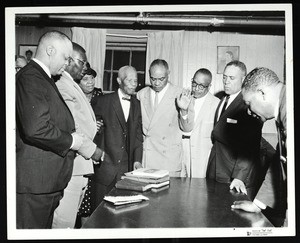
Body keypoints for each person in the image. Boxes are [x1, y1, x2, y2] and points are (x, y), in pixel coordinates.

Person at [16, 31, 85, 229]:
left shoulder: (42, 77)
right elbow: (35, 128)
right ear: (50, 50)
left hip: (43, 185)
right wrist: (72, 141)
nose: (67, 64)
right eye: (65, 58)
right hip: (35, 186)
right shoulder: (31, 77)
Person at [52, 42, 105, 228]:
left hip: (79, 166)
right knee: (63, 224)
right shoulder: (63, 85)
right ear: (69, 60)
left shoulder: (70, 84)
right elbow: (71, 127)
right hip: (71, 166)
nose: (85, 67)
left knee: (70, 222)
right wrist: (94, 151)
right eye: (82, 62)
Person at [231, 67, 287, 227]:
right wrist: (259, 204)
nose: (248, 111)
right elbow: (280, 163)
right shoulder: (283, 108)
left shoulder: (290, 111)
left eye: (249, 103)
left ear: (262, 93)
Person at [206, 61, 263, 200]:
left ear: (243, 80)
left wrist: (239, 176)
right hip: (216, 167)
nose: (226, 81)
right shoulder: (223, 99)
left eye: (232, 78)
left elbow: (250, 145)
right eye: (224, 77)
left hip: (232, 173)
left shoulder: (248, 104)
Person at [91, 65, 143, 212]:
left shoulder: (137, 105)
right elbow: (91, 132)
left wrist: (137, 160)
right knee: (100, 216)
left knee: (123, 216)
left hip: (127, 172)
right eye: (130, 80)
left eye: (136, 80)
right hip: (105, 170)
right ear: (119, 80)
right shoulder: (102, 101)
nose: (134, 84)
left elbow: (138, 135)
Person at [137, 59, 184, 176]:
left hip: (168, 160)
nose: (157, 83)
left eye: (161, 79)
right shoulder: (141, 94)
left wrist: (184, 109)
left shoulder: (180, 94)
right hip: (147, 158)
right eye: (153, 79)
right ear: (149, 74)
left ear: (168, 73)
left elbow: (187, 128)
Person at [176, 68, 220, 178]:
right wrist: (183, 110)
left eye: (201, 86)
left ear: (209, 87)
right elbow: (185, 128)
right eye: (194, 83)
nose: (195, 88)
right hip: (183, 148)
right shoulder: (185, 98)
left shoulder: (217, 104)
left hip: (202, 154)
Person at [76, 63, 103, 227]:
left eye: (92, 78)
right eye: (85, 79)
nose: (90, 82)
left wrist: (101, 125)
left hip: (97, 150)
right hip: (79, 151)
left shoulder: (100, 96)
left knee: (94, 199)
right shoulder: (75, 96)